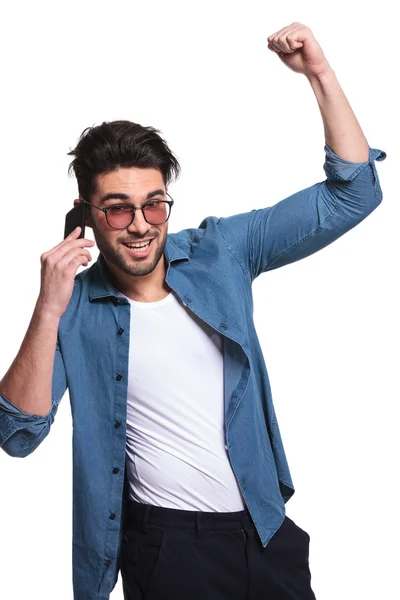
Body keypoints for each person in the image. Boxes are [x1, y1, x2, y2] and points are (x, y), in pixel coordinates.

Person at [0, 22, 386, 600]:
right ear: (84, 213)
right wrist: (47, 305)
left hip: (265, 530)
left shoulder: (220, 251)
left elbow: (353, 194)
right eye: (117, 209)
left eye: (154, 205)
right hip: (170, 548)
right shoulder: (74, 313)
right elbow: (17, 432)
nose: (139, 225)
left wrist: (320, 76)